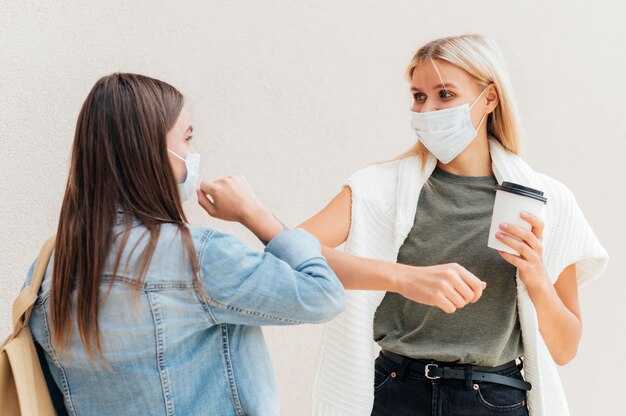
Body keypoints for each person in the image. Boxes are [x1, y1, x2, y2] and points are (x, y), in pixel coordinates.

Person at [303, 34, 609, 415]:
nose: (428, 109)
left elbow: (565, 349)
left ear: (490, 98)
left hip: (494, 400)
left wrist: (536, 279)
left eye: (445, 95)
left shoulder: (548, 202)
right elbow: (292, 252)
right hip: (396, 393)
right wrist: (402, 277)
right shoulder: (379, 189)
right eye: (418, 97)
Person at [24, 73, 345, 416]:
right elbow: (322, 295)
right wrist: (255, 213)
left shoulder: (52, 266)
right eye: (187, 139)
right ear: (149, 151)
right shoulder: (197, 257)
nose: (193, 153)